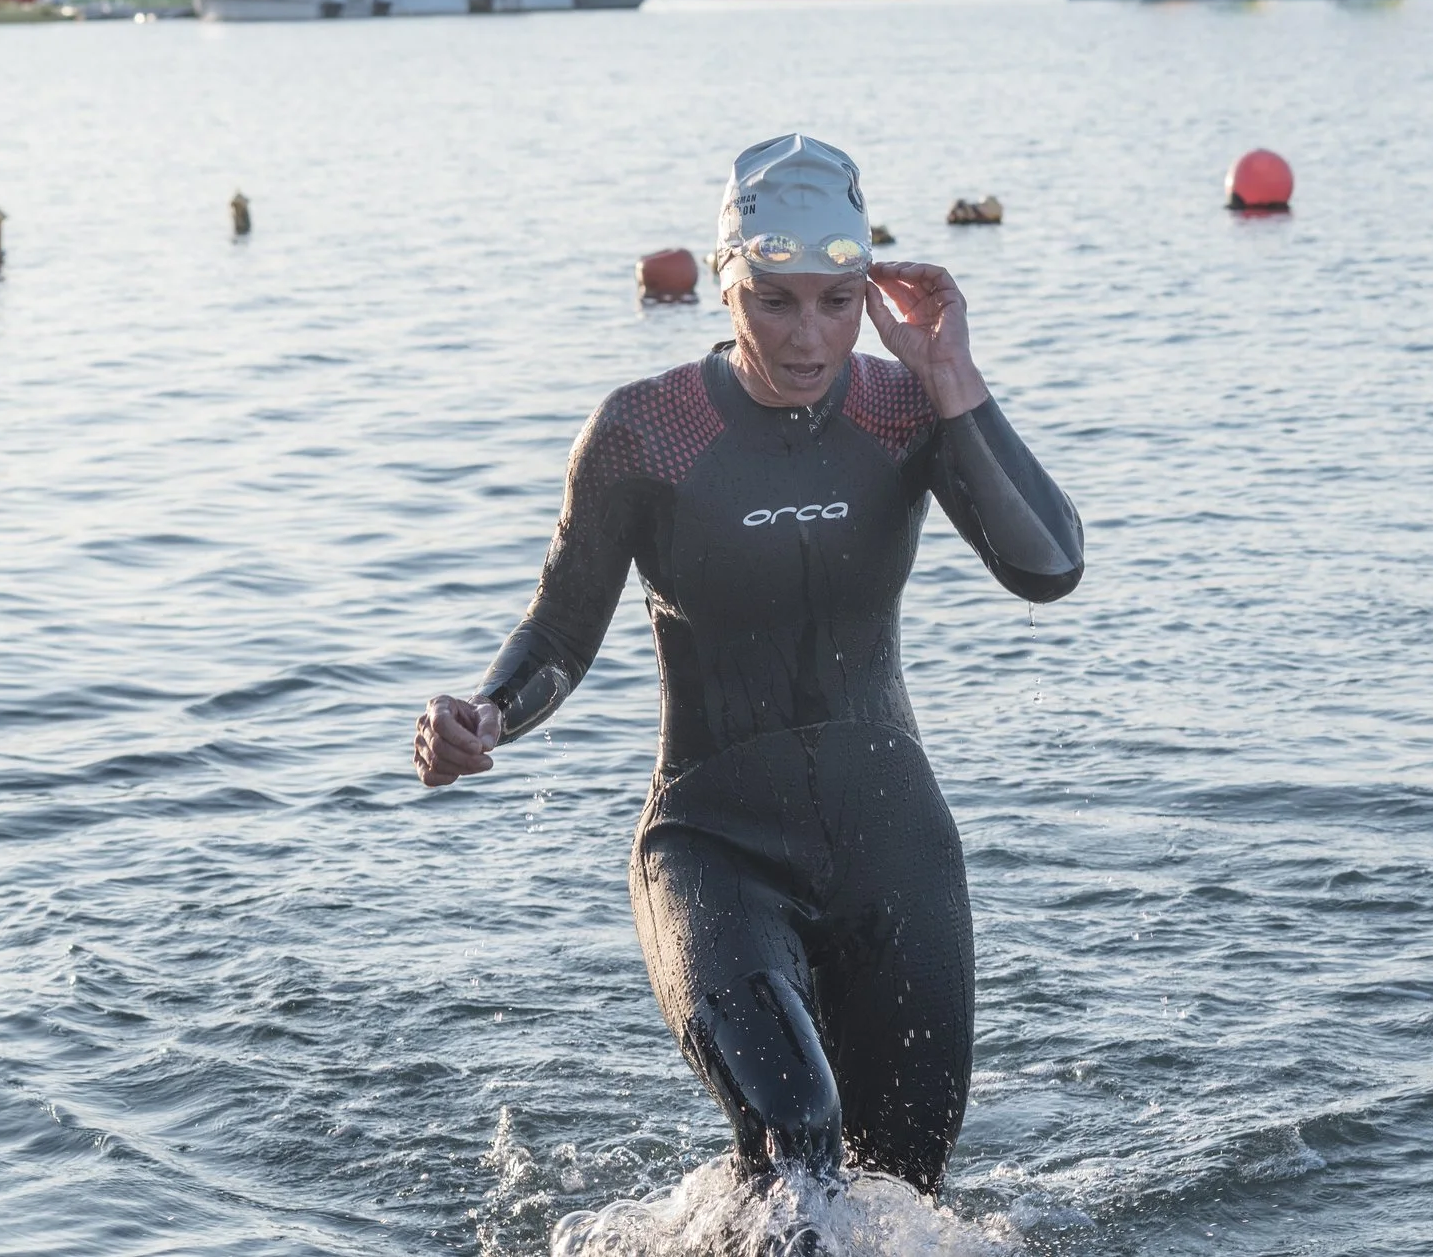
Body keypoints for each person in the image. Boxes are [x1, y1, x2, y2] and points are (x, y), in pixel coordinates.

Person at [414, 133, 1083, 1194]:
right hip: (712, 841)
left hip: (893, 837)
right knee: (796, 1128)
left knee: (905, 1180)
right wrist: (488, 713)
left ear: (869, 289)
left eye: (836, 298)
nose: (809, 335)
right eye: (775, 299)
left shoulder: (906, 406)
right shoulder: (646, 432)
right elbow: (557, 634)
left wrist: (952, 373)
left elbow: (1047, 569)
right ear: (726, 281)